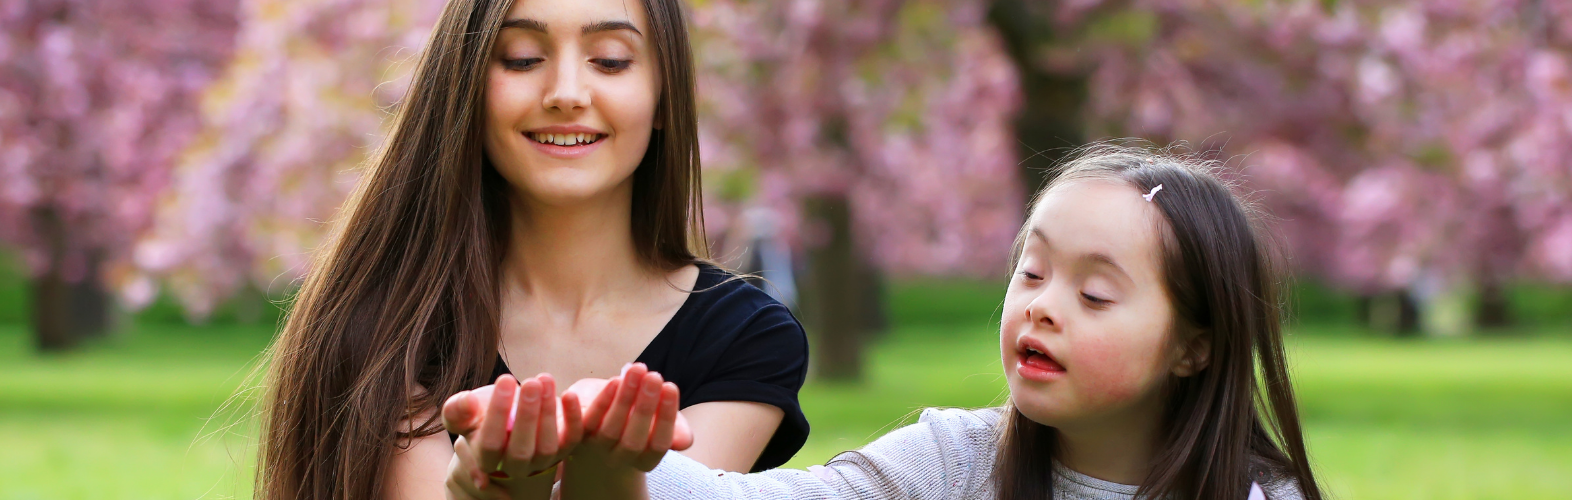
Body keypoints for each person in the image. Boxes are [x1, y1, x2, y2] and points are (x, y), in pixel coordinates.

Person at [446, 141, 1325, 500]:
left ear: (1195, 346)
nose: (1043, 307)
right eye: (1032, 271)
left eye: (1095, 295)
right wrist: (594, 426)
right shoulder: (956, 464)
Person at [253, 0, 809, 498]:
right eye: (521, 58)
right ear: (466, 88)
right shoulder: (388, 322)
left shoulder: (745, 337)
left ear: (664, 99)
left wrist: (603, 472)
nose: (566, 93)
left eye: (610, 60)